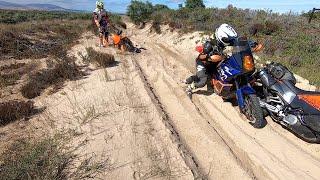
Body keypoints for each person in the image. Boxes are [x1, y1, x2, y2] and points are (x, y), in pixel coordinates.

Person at [185, 24, 238, 96]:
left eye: (228, 39)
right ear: (221, 36)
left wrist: (249, 44)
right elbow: (201, 57)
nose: (228, 41)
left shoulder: (223, 43)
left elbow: (236, 43)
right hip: (203, 64)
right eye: (226, 39)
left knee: (211, 89)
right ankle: (189, 88)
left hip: (213, 65)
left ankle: (191, 79)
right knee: (203, 81)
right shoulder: (209, 44)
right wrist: (209, 57)